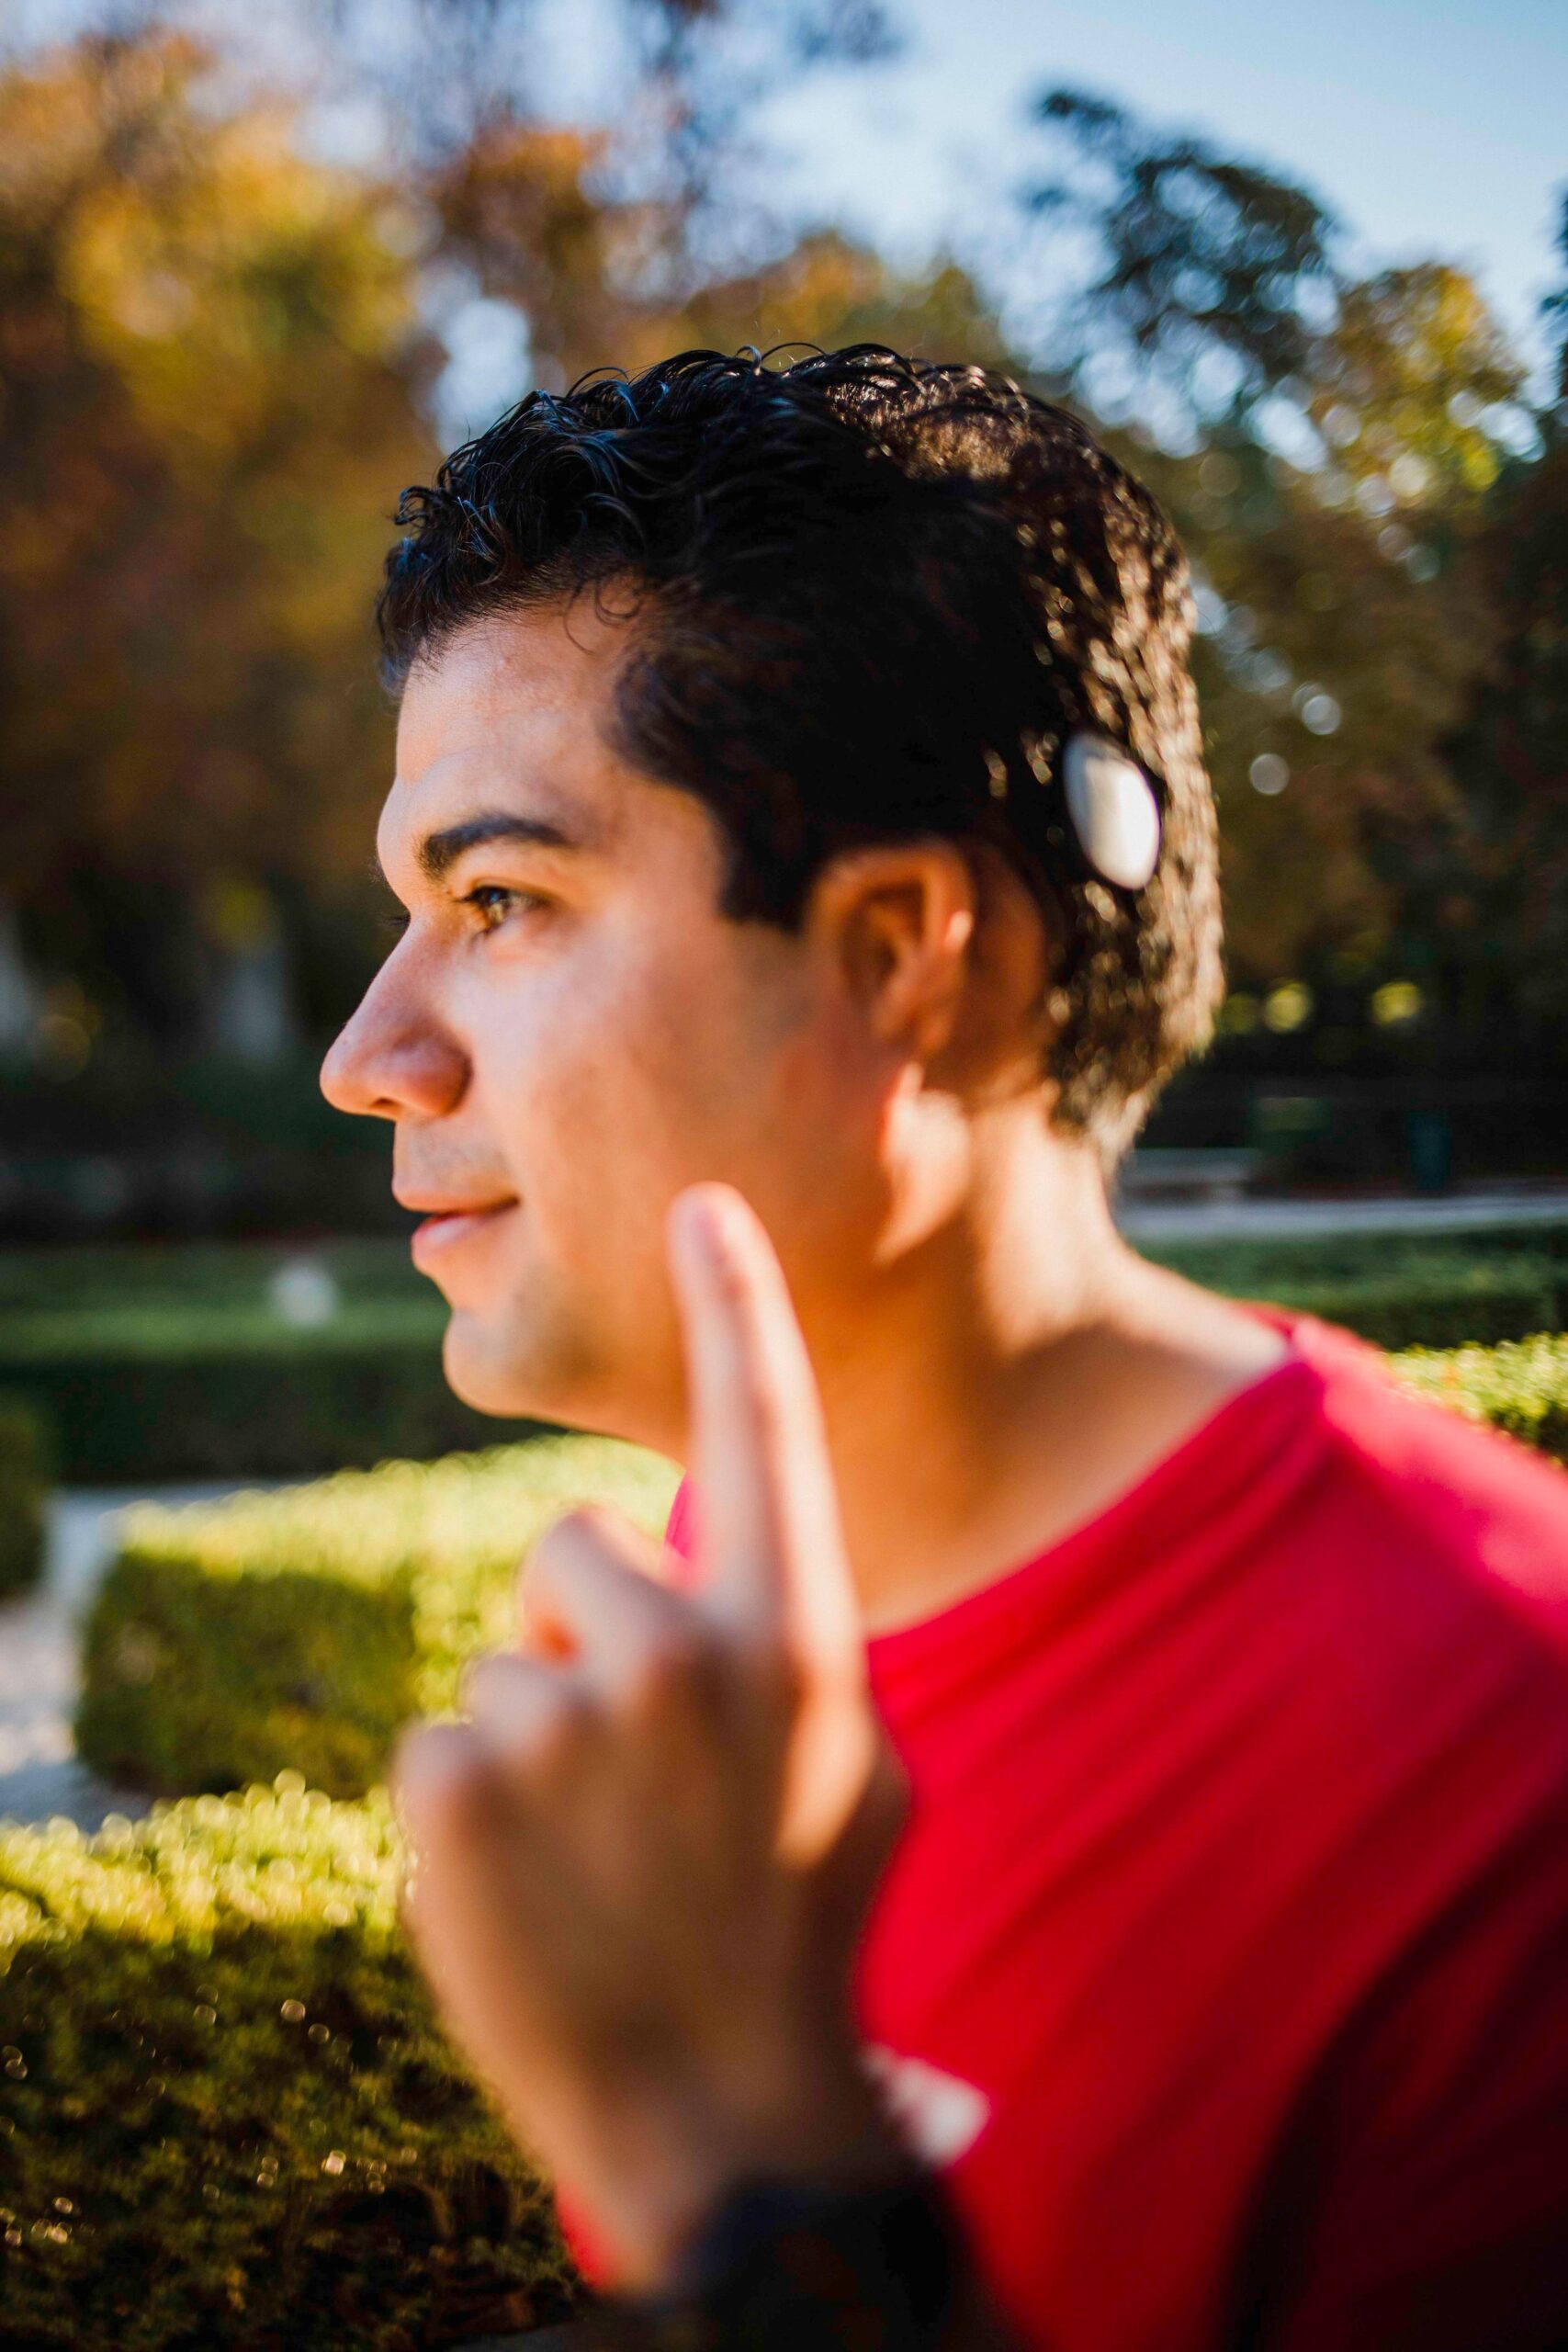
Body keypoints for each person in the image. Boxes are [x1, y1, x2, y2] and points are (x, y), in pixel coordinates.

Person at [320, 348, 1568, 2350]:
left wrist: (746, 2190)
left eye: (498, 897)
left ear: (899, 953)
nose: (367, 1058)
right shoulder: (708, 1626)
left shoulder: (1504, 1777)